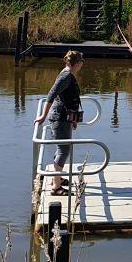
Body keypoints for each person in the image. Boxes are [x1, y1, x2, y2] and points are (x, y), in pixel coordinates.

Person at [34, 50, 84, 195]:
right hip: (59, 118)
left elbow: (67, 98)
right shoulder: (66, 76)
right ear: (78, 63)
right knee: (64, 150)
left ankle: (57, 178)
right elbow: (51, 94)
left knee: (62, 148)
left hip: (65, 117)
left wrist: (73, 120)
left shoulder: (67, 73)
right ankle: (56, 187)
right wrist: (43, 116)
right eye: (82, 63)